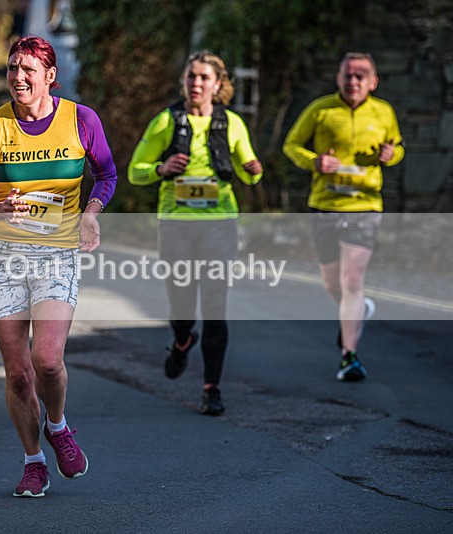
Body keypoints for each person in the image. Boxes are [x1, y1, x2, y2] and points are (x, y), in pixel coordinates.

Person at [0, 35, 117, 497]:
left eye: (28, 70)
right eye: (11, 69)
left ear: (49, 77)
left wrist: (90, 214)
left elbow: (106, 174)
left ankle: (59, 426)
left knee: (47, 361)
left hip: (57, 254)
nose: (18, 77)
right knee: (19, 372)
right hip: (2, 257)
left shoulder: (81, 120)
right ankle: (33, 462)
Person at [128, 51, 263, 416]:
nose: (197, 83)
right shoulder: (166, 122)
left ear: (217, 85)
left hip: (220, 224)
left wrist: (253, 169)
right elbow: (134, 172)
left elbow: (250, 172)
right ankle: (182, 339)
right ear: (183, 81)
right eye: (191, 77)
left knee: (215, 307)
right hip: (177, 225)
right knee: (183, 305)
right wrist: (161, 168)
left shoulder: (231, 123)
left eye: (204, 78)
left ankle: (212, 388)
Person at [283, 52, 404, 382]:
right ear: (338, 78)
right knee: (332, 283)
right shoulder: (321, 109)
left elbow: (397, 149)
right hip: (325, 204)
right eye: (348, 75)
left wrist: (391, 156)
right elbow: (291, 145)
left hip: (365, 207)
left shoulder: (384, 112)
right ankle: (358, 310)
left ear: (373, 81)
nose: (353, 81)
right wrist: (315, 161)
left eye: (360, 75)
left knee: (352, 280)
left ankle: (349, 356)